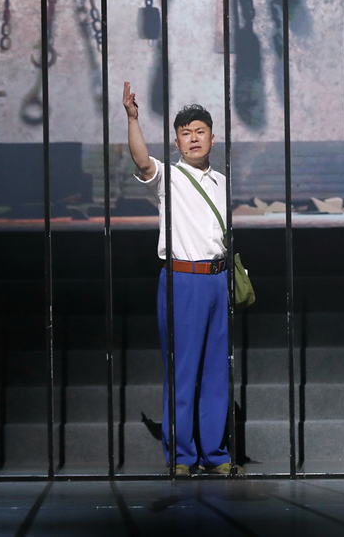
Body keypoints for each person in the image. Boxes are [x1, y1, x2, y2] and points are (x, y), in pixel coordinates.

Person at [122, 81, 231, 476]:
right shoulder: (168, 176)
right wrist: (133, 119)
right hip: (183, 281)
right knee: (183, 370)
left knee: (216, 372)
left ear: (212, 138)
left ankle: (215, 454)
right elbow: (141, 161)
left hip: (218, 281)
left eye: (200, 131)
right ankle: (182, 456)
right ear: (177, 142)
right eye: (186, 133)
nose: (193, 138)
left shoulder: (222, 182)